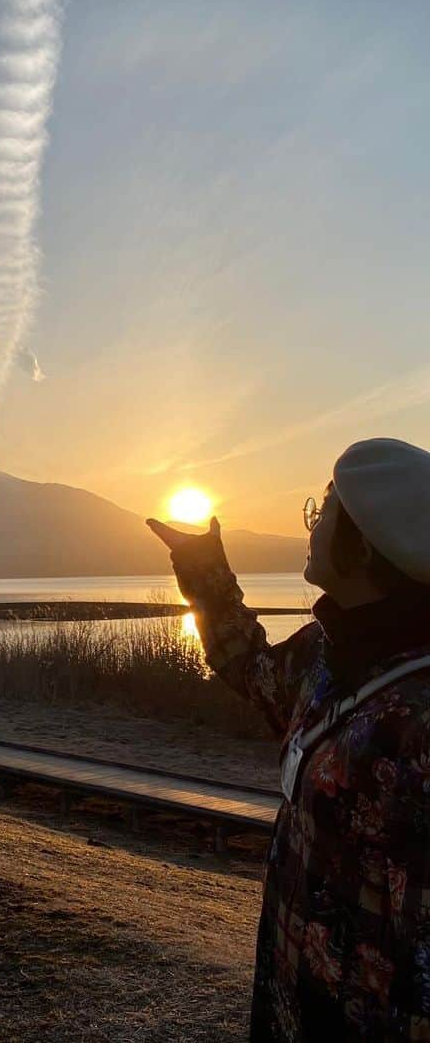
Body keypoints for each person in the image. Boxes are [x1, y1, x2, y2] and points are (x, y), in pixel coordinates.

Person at [147, 437, 430, 1041]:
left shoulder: (418, 720)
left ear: (367, 543)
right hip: (292, 998)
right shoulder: (325, 654)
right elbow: (250, 667)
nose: (310, 523)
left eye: (324, 509)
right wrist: (204, 568)